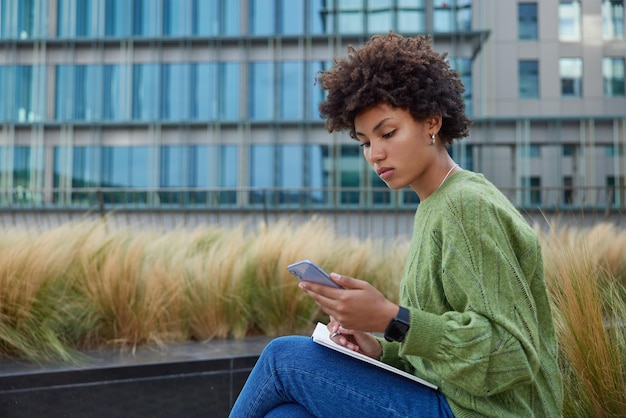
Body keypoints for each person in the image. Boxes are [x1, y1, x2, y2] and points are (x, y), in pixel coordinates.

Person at [229, 33, 563, 418]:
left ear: (432, 122)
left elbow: (511, 355)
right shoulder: (435, 206)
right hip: (452, 401)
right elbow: (446, 352)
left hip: (482, 413)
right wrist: (381, 346)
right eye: (364, 142)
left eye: (387, 133)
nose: (376, 154)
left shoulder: (465, 205)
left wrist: (393, 319)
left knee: (282, 358)